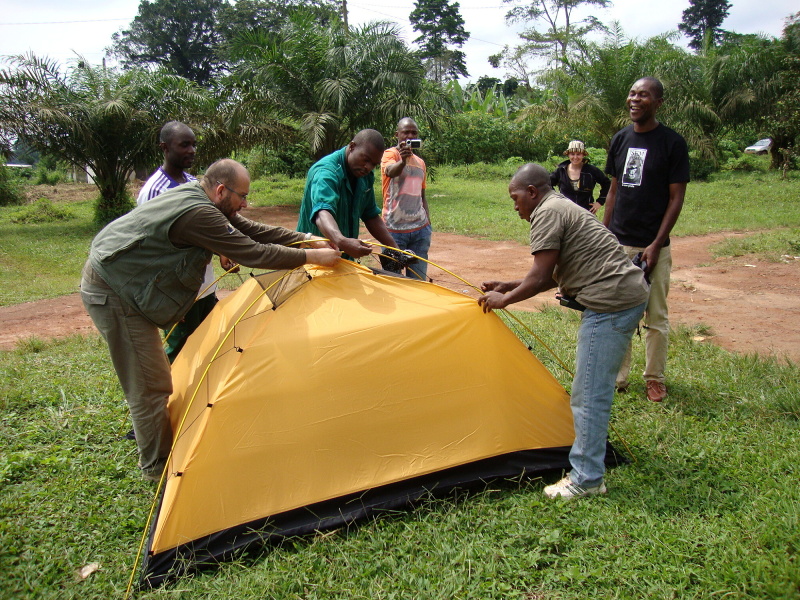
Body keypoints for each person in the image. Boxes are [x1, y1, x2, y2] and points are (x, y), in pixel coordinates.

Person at [81, 159, 339, 482]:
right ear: (220, 190)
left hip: (127, 281)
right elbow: (253, 252)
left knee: (156, 378)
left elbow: (250, 230)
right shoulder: (199, 213)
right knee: (149, 384)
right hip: (114, 289)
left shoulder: (201, 196)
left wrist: (304, 238)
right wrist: (312, 256)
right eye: (242, 196)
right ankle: (156, 469)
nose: (245, 204)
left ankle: (159, 451)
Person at [478, 163, 649, 499]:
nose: (514, 206)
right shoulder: (560, 206)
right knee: (590, 389)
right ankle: (587, 471)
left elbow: (542, 277)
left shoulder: (547, 212)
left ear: (531, 192)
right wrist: (510, 284)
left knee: (589, 393)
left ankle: (586, 478)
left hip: (611, 301)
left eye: (515, 198)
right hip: (624, 294)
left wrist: (505, 299)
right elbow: (557, 272)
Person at [603, 77, 690, 403]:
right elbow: (613, 191)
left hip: (655, 247)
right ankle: (619, 378)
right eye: (632, 93)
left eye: (644, 95)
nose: (635, 99)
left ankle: (654, 378)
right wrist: (604, 234)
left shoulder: (672, 143)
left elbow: (676, 198)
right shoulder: (620, 139)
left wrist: (656, 243)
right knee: (620, 312)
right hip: (619, 244)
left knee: (656, 317)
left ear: (658, 103)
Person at [137, 121, 233, 362]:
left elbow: (208, 225)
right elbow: (150, 247)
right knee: (180, 350)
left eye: (194, 145)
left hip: (204, 284)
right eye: (184, 145)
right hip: (178, 290)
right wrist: (166, 298)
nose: (191, 150)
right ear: (165, 147)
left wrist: (221, 250)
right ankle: (172, 397)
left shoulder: (193, 183)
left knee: (209, 343)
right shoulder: (155, 191)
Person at [297, 129, 396, 260]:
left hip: (343, 260)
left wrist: (395, 249)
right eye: (366, 159)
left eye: (374, 164)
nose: (368, 167)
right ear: (352, 146)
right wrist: (342, 241)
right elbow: (322, 213)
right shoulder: (326, 172)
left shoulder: (364, 176)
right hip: (313, 259)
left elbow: (370, 215)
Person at [380, 117, 431, 279]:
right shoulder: (390, 154)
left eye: (414, 132)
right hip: (393, 231)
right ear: (397, 134)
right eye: (406, 132)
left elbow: (422, 195)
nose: (410, 135)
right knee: (393, 280)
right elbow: (390, 171)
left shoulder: (420, 163)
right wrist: (402, 161)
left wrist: (427, 223)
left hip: (420, 231)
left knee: (418, 281)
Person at [549, 140, 611, 214]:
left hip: (586, 212)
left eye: (578, 154)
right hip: (565, 213)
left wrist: (600, 202)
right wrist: (556, 199)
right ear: (568, 155)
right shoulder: (561, 171)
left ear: (583, 155)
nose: (575, 157)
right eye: (572, 154)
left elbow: (607, 183)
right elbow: (547, 184)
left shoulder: (591, 171)